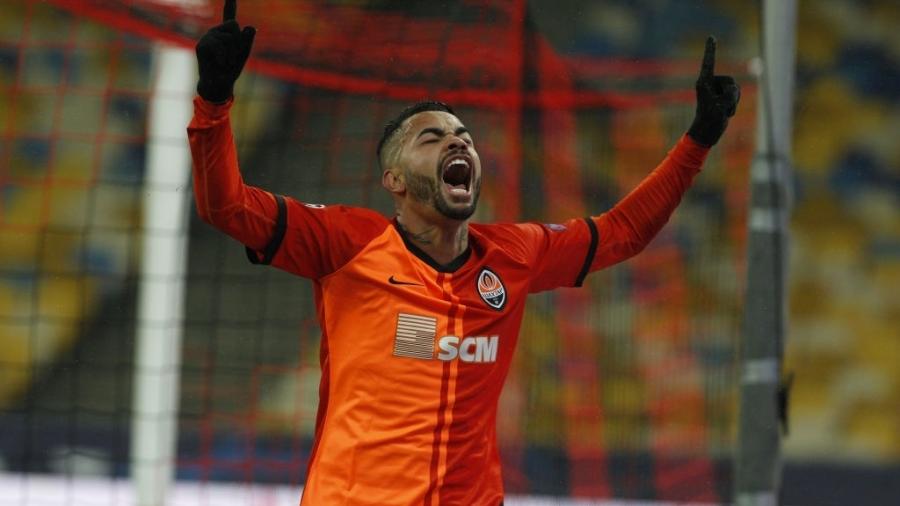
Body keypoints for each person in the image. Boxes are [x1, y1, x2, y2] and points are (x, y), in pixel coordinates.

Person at [187, 1, 739, 504]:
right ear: (394, 180)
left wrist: (698, 140)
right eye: (432, 138)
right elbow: (226, 207)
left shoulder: (514, 254)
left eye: (464, 137)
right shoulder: (347, 242)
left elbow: (622, 232)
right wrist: (214, 99)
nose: (458, 141)